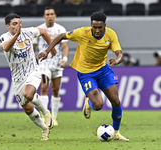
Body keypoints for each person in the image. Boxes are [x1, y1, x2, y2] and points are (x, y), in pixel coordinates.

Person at [38, 11, 129, 141]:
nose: (97, 30)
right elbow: (61, 36)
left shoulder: (110, 34)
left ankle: (116, 133)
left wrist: (117, 60)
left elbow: (119, 53)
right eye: (94, 27)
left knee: (116, 101)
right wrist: (47, 51)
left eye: (100, 27)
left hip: (103, 70)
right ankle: (89, 101)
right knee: (98, 105)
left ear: (105, 25)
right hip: (86, 73)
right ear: (91, 25)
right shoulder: (82, 33)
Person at [0, 13, 56, 140]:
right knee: (27, 108)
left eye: (19, 22)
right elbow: (6, 48)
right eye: (14, 24)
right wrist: (16, 36)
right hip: (18, 78)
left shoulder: (28, 32)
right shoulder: (4, 37)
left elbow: (43, 32)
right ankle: (44, 129)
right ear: (7, 26)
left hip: (33, 70)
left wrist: (50, 48)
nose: (18, 26)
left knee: (28, 94)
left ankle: (46, 112)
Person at [33, 6, 69, 126]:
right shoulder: (39, 29)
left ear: (55, 16)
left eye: (51, 14)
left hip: (57, 63)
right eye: (47, 14)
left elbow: (65, 47)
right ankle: (45, 116)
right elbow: (33, 48)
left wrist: (64, 59)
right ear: (44, 16)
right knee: (44, 87)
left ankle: (54, 117)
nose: (49, 16)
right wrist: (32, 62)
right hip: (44, 63)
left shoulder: (60, 29)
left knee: (55, 90)